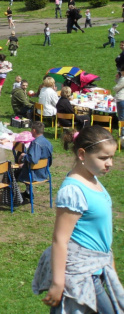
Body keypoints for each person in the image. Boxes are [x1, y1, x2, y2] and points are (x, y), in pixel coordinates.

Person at [33, 126, 124, 313]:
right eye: (103, 157)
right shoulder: (73, 191)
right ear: (82, 154)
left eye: (111, 157)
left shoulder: (93, 180)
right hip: (81, 272)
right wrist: (58, 283)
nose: (110, 163)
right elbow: (60, 239)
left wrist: (110, 268)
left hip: (98, 267)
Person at [17, 122, 53, 199]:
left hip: (34, 174)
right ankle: (28, 192)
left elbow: (33, 159)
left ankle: (14, 196)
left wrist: (24, 156)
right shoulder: (48, 142)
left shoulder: (36, 143)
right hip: (44, 171)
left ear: (34, 131)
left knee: (12, 174)